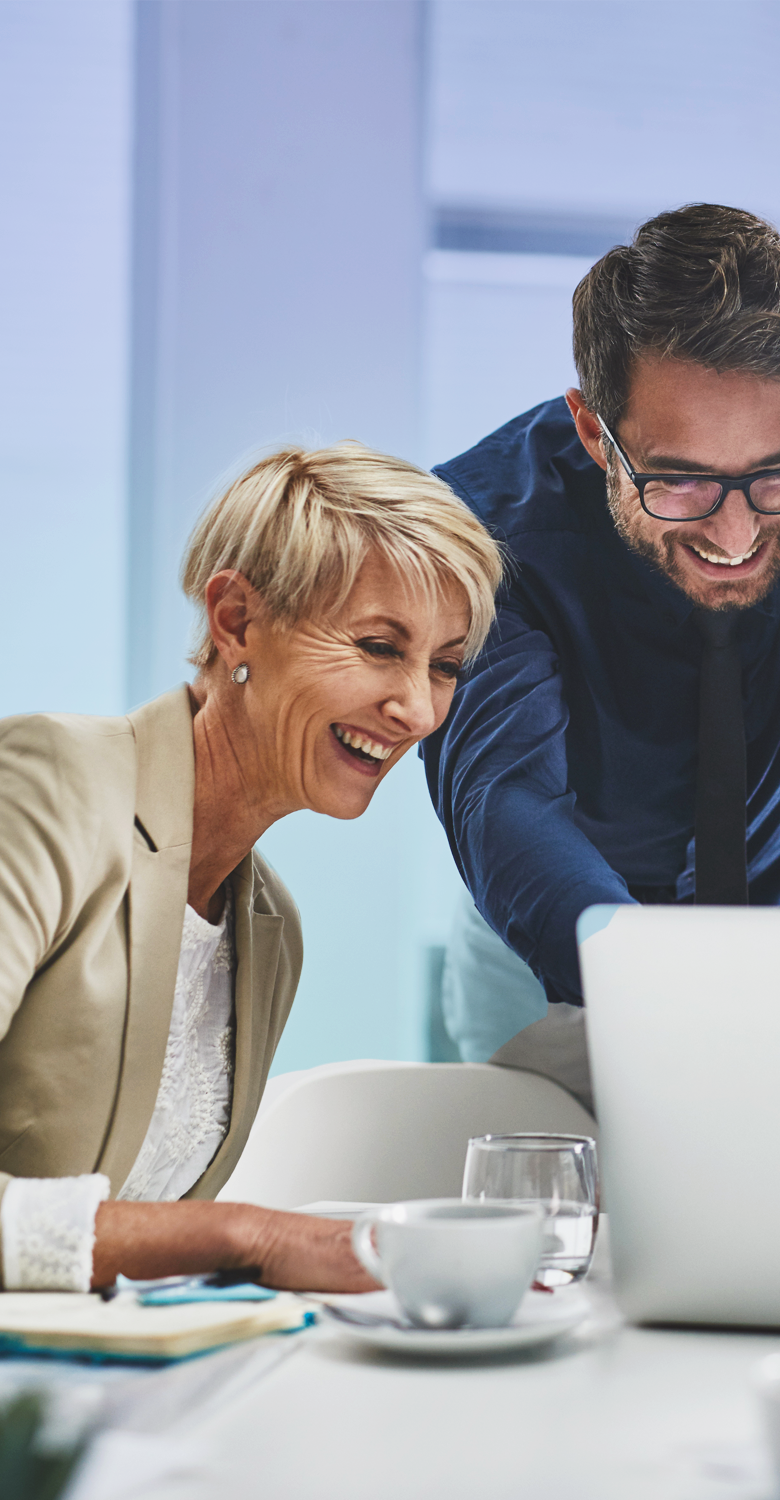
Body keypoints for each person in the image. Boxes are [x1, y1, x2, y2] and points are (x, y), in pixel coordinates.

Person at [425, 204, 780, 1104]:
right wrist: (666, 1008)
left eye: (778, 473)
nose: (735, 529)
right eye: (679, 478)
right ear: (594, 431)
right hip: (550, 941)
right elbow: (506, 796)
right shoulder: (478, 520)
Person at [0, 442, 504, 1292]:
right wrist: (242, 1235)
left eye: (445, 666)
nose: (418, 708)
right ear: (236, 620)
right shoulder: (52, 785)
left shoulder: (270, 929)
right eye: (381, 646)